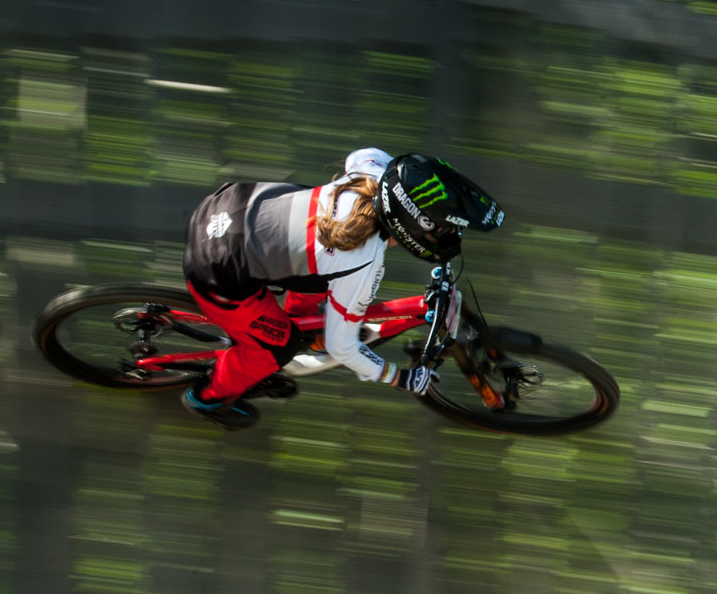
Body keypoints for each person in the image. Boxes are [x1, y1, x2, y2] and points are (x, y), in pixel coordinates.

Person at [178, 147, 505, 430]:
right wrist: (398, 377)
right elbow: (342, 348)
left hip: (227, 204)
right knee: (279, 345)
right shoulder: (362, 260)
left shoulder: (375, 172)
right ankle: (206, 398)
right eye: (445, 228)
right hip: (215, 269)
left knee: (317, 268)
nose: (450, 236)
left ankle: (298, 316)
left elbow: (363, 155)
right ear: (415, 226)